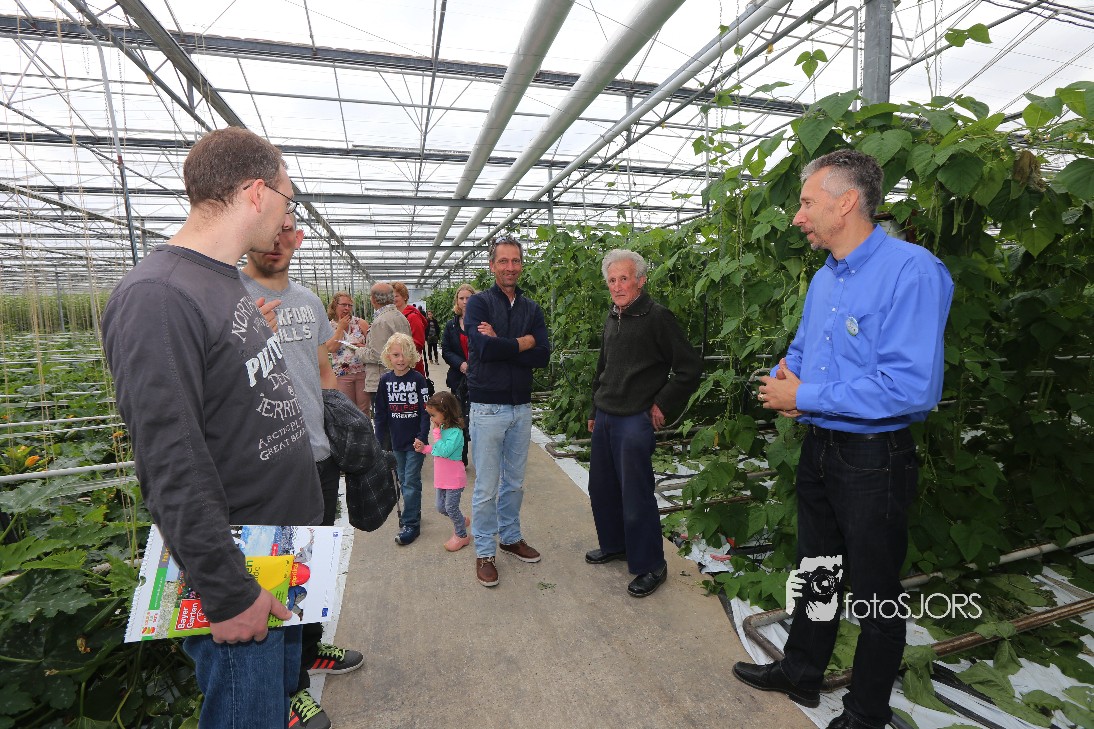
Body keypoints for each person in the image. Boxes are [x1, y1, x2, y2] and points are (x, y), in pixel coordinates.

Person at [101, 126, 321, 728]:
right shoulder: (158, 296)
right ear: (257, 193)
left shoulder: (222, 283)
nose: (287, 216)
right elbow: (169, 461)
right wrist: (228, 591)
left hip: (276, 555)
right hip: (241, 571)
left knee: (274, 708)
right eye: (286, 198)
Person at [732, 149, 954, 729]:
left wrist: (804, 395)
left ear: (847, 201)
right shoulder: (826, 277)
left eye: (807, 202)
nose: (797, 216)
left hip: (874, 457)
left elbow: (909, 387)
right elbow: (805, 350)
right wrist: (788, 377)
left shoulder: (912, 271)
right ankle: (802, 671)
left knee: (877, 591)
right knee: (817, 568)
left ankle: (866, 712)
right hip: (822, 447)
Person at [241, 215, 364, 729]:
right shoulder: (230, 298)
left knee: (311, 564)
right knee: (273, 574)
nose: (278, 239)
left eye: (288, 229)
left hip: (317, 456)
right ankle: (287, 690)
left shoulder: (310, 302)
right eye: (270, 227)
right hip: (266, 465)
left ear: (298, 238)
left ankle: (311, 648)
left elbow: (322, 371)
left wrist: (339, 422)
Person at [585, 249, 702, 598]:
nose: (617, 286)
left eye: (624, 278)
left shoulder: (657, 317)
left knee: (636, 495)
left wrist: (662, 402)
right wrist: (593, 410)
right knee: (602, 488)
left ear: (640, 280)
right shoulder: (613, 315)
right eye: (612, 280)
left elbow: (689, 367)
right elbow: (603, 368)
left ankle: (652, 564)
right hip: (606, 415)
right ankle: (616, 545)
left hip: (634, 420)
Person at [463, 234, 551, 587]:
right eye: (503, 261)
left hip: (521, 407)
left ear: (522, 265)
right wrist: (523, 342)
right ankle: (485, 551)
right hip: (487, 407)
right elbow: (483, 349)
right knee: (486, 486)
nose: (510, 267)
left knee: (514, 482)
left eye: (515, 260)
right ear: (492, 265)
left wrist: (502, 342)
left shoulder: (532, 308)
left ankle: (510, 537)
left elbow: (543, 355)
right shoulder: (479, 304)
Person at [373, 332, 430, 546]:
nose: (400, 359)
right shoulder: (385, 381)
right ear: (389, 356)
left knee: (411, 481)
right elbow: (380, 415)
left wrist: (422, 437)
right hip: (395, 442)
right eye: (396, 355)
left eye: (405, 354)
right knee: (403, 479)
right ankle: (414, 511)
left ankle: (411, 524)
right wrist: (379, 443)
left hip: (415, 443)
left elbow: (425, 413)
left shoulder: (418, 380)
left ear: (412, 355)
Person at [414, 391, 469, 552]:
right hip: (442, 479)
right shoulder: (443, 427)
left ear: (446, 412)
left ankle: (461, 535)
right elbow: (438, 449)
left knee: (451, 508)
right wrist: (424, 448)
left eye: (433, 415)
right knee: (441, 507)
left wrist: (436, 435)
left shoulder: (456, 432)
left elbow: (444, 451)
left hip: (454, 479)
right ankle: (461, 520)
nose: (432, 419)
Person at [360, 282, 412, 432]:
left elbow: (377, 355)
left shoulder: (381, 321)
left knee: (384, 427)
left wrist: (359, 351)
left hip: (381, 381)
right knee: (397, 423)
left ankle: (387, 448)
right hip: (398, 377)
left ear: (373, 299)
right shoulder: (400, 317)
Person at [441, 284, 476, 465]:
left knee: (478, 417)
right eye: (461, 298)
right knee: (458, 417)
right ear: (457, 301)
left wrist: (475, 364)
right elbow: (446, 350)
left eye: (468, 298)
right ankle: (461, 457)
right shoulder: (451, 325)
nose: (465, 302)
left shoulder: (482, 322)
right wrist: (461, 364)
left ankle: (481, 456)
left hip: (479, 378)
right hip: (458, 379)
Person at [327, 292, 370, 414]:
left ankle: (365, 427)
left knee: (364, 409)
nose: (347, 308)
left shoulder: (360, 323)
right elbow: (331, 348)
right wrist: (340, 327)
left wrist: (363, 347)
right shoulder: (329, 326)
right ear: (335, 305)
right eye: (343, 305)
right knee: (348, 410)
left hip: (362, 372)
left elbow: (373, 347)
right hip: (342, 374)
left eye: (349, 305)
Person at [392, 282, 427, 376]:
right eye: (391, 296)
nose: (393, 299)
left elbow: (418, 343)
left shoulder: (413, 317)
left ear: (405, 297)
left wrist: (398, 349)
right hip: (398, 366)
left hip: (412, 366)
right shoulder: (394, 316)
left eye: (396, 296)